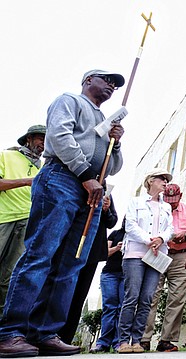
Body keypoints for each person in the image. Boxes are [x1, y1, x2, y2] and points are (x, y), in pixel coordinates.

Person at [0, 69, 125, 358]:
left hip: (91, 191)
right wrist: (84, 173)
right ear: (87, 81)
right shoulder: (69, 101)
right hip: (62, 178)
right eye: (105, 79)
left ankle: (44, 332)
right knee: (40, 255)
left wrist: (115, 144)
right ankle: (10, 331)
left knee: (72, 264)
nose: (110, 86)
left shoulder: (107, 125)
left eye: (114, 85)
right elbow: (59, 135)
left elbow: (113, 166)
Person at [117, 169, 174, 354]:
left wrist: (160, 239)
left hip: (156, 255)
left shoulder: (167, 207)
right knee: (131, 296)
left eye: (167, 180)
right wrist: (149, 240)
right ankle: (123, 340)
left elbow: (170, 228)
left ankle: (137, 340)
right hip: (135, 253)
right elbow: (130, 225)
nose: (165, 182)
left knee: (147, 298)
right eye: (162, 179)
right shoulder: (136, 202)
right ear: (150, 181)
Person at [141, 184, 186, 352]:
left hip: (182, 255)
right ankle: (144, 338)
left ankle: (166, 340)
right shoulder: (157, 209)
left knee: (177, 298)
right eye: (169, 201)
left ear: (180, 196)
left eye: (174, 201)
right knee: (151, 295)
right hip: (159, 253)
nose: (172, 204)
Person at [58, 195, 118, 345]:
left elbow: (111, 221)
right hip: (70, 245)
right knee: (61, 290)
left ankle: (66, 338)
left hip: (92, 251)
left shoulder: (107, 193)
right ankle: (49, 333)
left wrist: (106, 210)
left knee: (79, 294)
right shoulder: (76, 184)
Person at [0, 124, 46, 315]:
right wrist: (27, 182)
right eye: (40, 138)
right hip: (3, 218)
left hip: (27, 223)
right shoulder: (6, 156)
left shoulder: (43, 168)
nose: (43, 144)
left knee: (9, 276)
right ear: (29, 138)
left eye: (46, 141)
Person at [90, 219, 127, 353]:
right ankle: (103, 343)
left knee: (122, 307)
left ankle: (118, 342)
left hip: (127, 275)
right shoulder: (115, 234)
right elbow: (104, 253)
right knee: (109, 307)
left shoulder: (138, 236)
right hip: (110, 273)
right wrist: (117, 248)